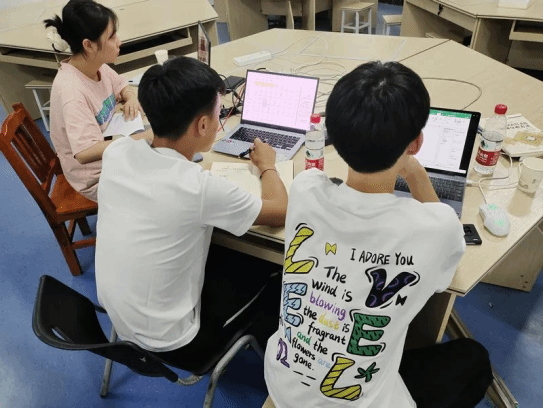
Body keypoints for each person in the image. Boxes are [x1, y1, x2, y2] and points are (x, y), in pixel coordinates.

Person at [264, 61, 493, 408]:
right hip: (358, 403)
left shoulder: (305, 188)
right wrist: (414, 173)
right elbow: (449, 244)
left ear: (332, 138)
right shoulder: (435, 228)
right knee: (474, 358)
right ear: (416, 143)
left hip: (282, 383)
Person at [94, 56, 287, 365]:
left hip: (120, 321)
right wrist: (267, 165)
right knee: (273, 269)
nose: (220, 122)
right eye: (219, 114)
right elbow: (280, 210)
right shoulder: (197, 187)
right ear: (202, 125)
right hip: (176, 342)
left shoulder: (117, 152)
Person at [44, 0, 152, 202]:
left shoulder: (95, 65)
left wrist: (130, 97)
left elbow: (121, 84)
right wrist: (145, 137)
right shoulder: (72, 92)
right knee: (167, 175)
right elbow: (84, 153)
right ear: (89, 45)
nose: (119, 42)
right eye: (112, 37)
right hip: (98, 178)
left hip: (112, 148)